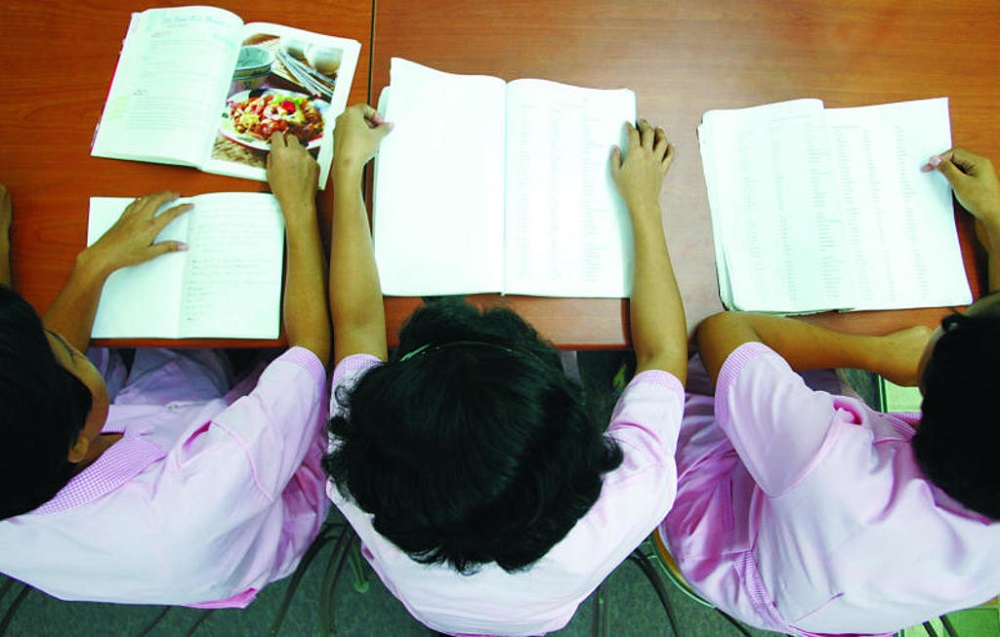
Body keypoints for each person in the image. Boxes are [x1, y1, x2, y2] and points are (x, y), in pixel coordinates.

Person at [324, 104, 688, 636]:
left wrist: (348, 166)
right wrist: (643, 203)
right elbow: (662, 356)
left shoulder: (361, 474)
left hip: (427, 604)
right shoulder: (628, 497)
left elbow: (356, 322)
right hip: (540, 613)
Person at [659, 147, 1000, 636]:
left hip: (722, 537)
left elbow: (723, 332)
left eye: (954, 324)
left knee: (692, 357)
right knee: (799, 360)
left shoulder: (828, 462)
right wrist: (993, 217)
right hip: (838, 583)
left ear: (930, 382)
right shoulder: (978, 450)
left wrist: (876, 356)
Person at [0, 132, 332, 607]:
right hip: (266, 501)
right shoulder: (201, 493)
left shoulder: (21, 462)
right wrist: (298, 209)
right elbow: (309, 355)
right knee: (301, 356)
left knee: (172, 335)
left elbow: (28, 379)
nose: (66, 337)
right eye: (71, 353)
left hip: (154, 427)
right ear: (76, 442)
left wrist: (93, 266)